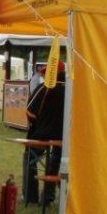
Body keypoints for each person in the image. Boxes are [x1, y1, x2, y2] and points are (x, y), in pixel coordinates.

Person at [23, 62, 66, 206]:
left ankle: (30, 196)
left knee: (30, 157)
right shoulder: (71, 89)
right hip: (64, 136)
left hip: (43, 134)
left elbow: (30, 112)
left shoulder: (45, 88)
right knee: (56, 161)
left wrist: (39, 123)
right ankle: (48, 198)